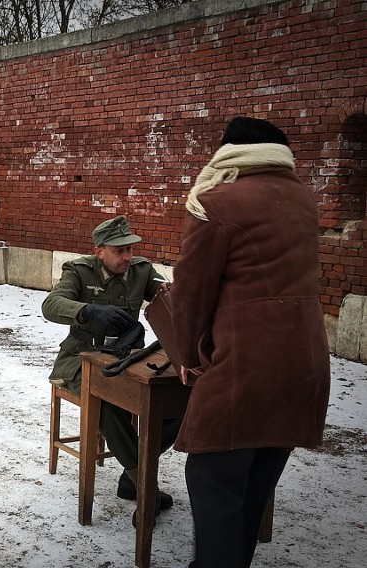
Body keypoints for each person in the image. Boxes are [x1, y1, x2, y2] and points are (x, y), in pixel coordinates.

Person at [169, 117, 331, 568]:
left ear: (229, 153)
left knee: (212, 478)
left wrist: (188, 355)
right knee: (255, 482)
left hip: (246, 367)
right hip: (305, 365)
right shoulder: (303, 199)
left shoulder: (218, 201)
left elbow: (190, 292)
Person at [41, 215, 182, 522]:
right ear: (99, 251)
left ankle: (132, 477)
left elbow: (167, 296)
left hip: (125, 358)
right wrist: (87, 310)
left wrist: (177, 294)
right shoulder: (79, 271)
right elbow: (50, 306)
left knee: (177, 402)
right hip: (80, 357)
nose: (127, 257)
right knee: (106, 406)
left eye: (130, 249)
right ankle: (146, 487)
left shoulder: (141, 271)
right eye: (119, 251)